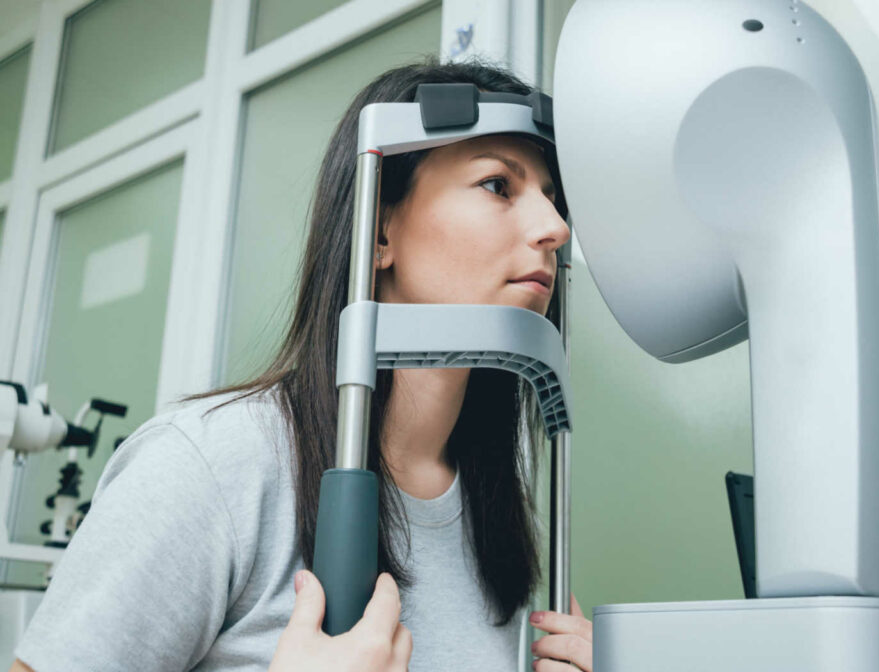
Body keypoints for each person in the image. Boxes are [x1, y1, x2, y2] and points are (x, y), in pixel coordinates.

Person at [10, 57, 593, 672]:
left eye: (554, 201)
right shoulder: (213, 465)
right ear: (379, 233)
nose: (555, 228)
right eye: (499, 185)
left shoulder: (496, 506)